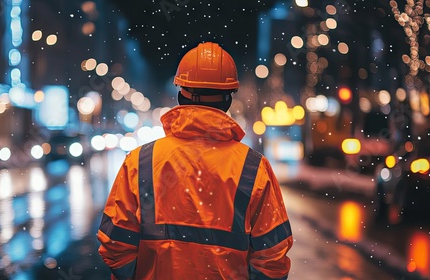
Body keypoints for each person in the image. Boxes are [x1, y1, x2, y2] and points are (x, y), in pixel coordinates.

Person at [97, 42, 293, 280]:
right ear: (228, 100)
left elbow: (115, 245)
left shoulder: (141, 161)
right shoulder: (253, 168)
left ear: (181, 95)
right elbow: (272, 257)